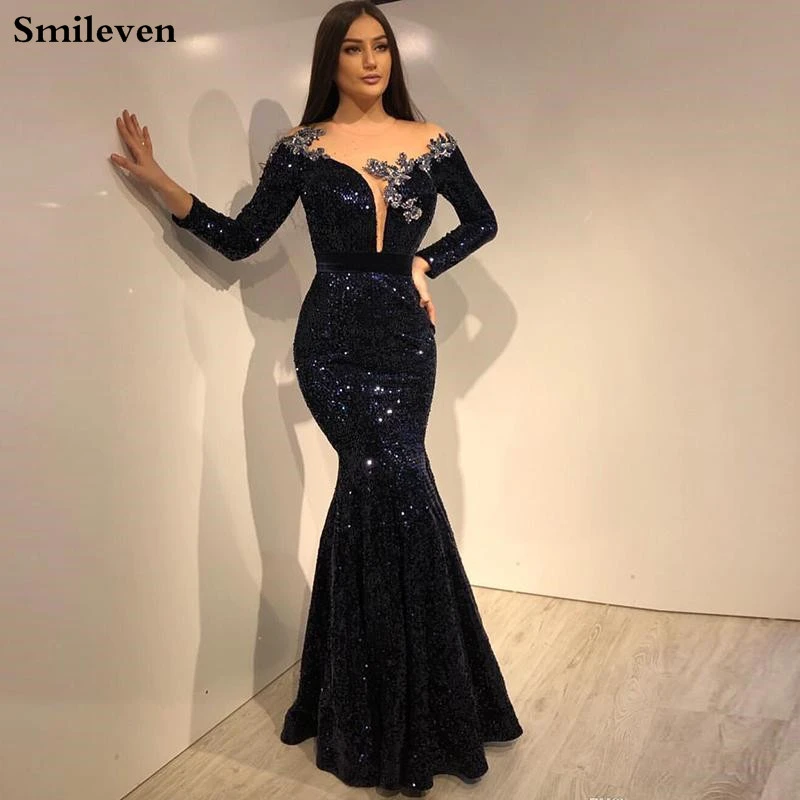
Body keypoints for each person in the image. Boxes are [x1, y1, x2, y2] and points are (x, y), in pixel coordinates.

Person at [110, 1, 522, 792]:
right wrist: (161, 183)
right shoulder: (301, 149)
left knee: (395, 488)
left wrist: (424, 263)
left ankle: (412, 699)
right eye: (353, 49)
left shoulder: (432, 141)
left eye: (381, 47)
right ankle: (379, 708)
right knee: (380, 484)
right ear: (330, 60)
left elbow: (482, 221)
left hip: (404, 343)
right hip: (329, 342)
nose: (371, 61)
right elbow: (242, 238)